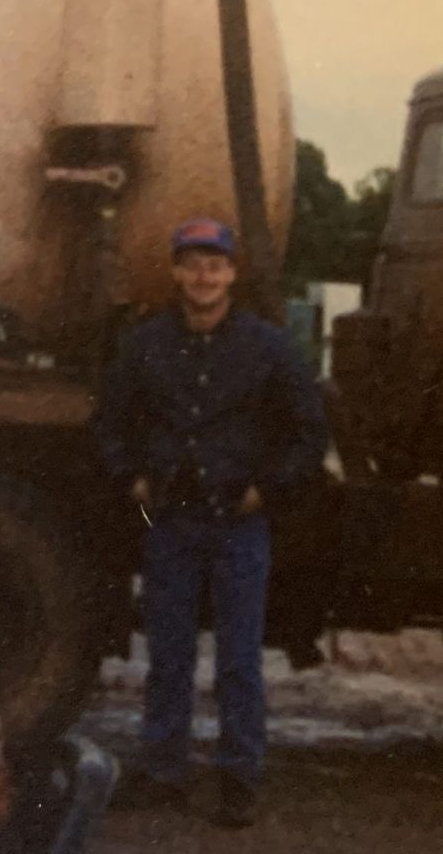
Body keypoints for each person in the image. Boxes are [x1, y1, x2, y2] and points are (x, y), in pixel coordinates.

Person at [92, 217, 330, 828]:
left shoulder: (269, 346)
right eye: (192, 263)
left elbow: (308, 431)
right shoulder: (145, 345)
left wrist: (266, 489)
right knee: (168, 653)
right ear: (176, 271)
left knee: (238, 658)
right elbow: (111, 425)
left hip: (238, 524)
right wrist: (133, 480)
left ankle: (238, 777)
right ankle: (164, 771)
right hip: (170, 521)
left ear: (232, 273)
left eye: (215, 264)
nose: (204, 275)